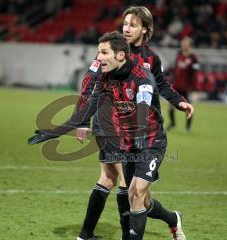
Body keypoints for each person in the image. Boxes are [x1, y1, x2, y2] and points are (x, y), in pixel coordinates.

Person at [29, 30, 186, 240]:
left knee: (135, 193)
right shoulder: (104, 78)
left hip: (151, 140)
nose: (99, 58)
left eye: (103, 53)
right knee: (141, 199)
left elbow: (142, 107)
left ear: (120, 55)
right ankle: (173, 219)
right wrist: (54, 132)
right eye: (99, 52)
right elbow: (87, 110)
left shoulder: (142, 78)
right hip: (129, 142)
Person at [75, 6, 191, 240]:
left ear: (144, 30)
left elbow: (162, 85)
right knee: (115, 180)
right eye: (125, 23)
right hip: (110, 125)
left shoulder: (150, 59)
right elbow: (90, 84)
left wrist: (179, 102)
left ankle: (170, 219)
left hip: (143, 131)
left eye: (133, 25)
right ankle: (89, 234)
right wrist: (83, 119)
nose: (127, 28)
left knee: (137, 194)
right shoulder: (112, 51)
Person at [167, 36, 199, 132]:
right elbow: (175, 69)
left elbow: (195, 74)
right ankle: (173, 124)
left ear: (189, 46)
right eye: (183, 44)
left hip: (186, 87)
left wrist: (193, 88)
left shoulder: (194, 58)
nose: (184, 46)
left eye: (186, 44)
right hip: (176, 85)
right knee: (170, 106)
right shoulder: (179, 54)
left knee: (188, 107)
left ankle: (187, 127)